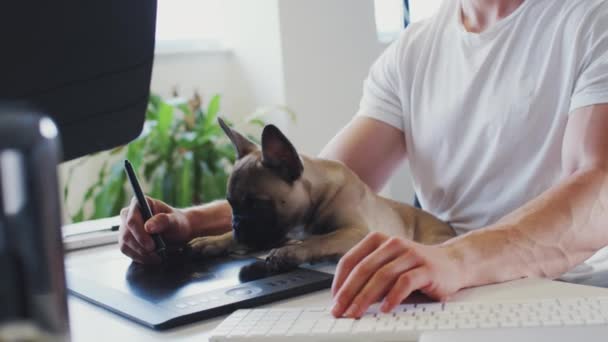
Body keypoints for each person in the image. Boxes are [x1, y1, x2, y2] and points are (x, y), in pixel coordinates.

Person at [119, 0, 608, 319]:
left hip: (564, 293)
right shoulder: (415, 50)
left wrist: (454, 260)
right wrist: (189, 223)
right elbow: (309, 189)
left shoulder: (592, 20)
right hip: (444, 288)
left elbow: (598, 184)